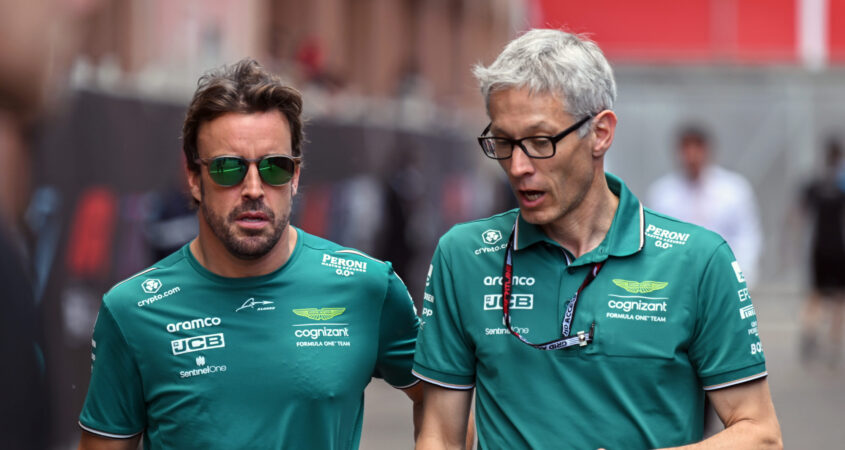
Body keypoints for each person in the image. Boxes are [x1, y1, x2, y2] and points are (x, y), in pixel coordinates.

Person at [412, 29, 782, 449]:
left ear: (601, 133)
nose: (517, 167)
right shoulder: (463, 256)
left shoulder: (699, 261)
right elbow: (440, 435)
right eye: (502, 142)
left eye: (540, 142)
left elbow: (760, 435)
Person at [77, 58, 422, 449]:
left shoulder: (368, 287)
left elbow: (444, 403)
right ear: (194, 178)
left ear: (295, 176)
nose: (254, 189)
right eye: (229, 169)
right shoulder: (132, 311)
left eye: (275, 168)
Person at [647, 126, 762, 288]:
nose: (692, 154)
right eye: (686, 147)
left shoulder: (734, 190)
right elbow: (655, 240)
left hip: (725, 276)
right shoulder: (663, 193)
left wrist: (741, 276)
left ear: (708, 150)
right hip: (678, 280)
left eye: (697, 147)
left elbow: (747, 237)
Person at [798, 138, 845, 366]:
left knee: (817, 293)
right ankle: (831, 340)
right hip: (837, 246)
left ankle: (812, 333)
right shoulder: (838, 185)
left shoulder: (816, 184)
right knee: (837, 297)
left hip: (819, 246)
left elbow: (799, 213)